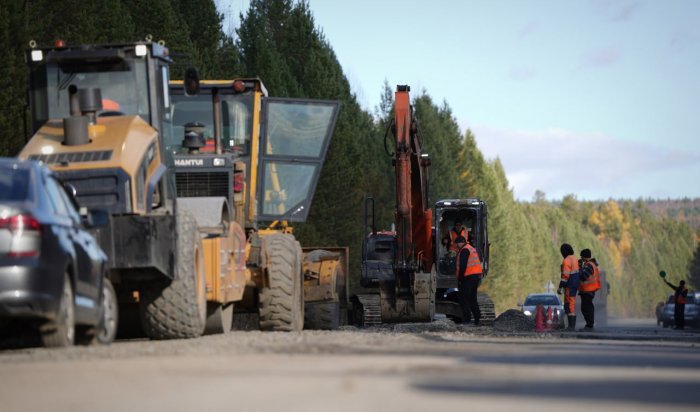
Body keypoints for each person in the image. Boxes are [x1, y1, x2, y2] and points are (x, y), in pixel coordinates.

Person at [455, 234, 482, 325]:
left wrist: (460, 279)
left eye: (457, 244)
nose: (456, 246)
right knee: (472, 298)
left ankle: (467, 319)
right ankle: (477, 318)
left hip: (468, 277)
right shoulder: (471, 248)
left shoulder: (464, 250)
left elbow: (463, 266)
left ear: (460, 243)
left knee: (463, 298)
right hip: (475, 277)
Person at [557, 243, 580, 330]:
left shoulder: (566, 260)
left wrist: (560, 287)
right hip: (574, 285)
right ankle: (571, 326)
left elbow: (565, 277)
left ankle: (571, 327)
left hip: (569, 285)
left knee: (570, 305)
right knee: (570, 304)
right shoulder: (574, 259)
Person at [578, 248, 601, 331]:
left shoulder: (588, 265)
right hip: (589, 291)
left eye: (582, 257)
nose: (581, 259)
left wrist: (579, 267)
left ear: (584, 257)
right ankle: (589, 325)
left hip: (588, 291)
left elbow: (583, 276)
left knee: (586, 309)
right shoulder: (592, 264)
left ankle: (589, 326)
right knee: (587, 308)